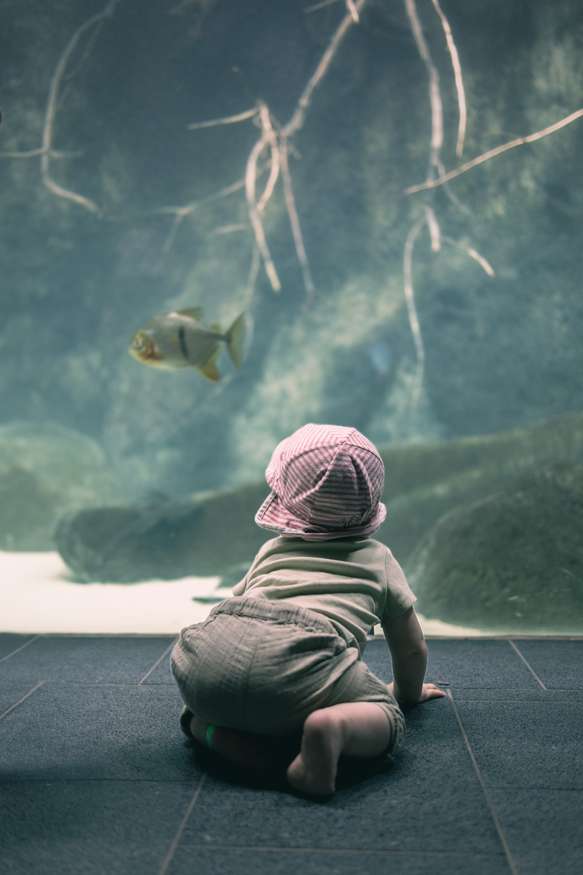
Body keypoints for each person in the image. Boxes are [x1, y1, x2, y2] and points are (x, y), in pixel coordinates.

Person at [170, 423, 445, 798]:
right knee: (386, 716)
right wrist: (406, 696)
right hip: (305, 661)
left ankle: (219, 735)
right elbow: (412, 647)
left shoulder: (270, 551)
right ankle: (329, 730)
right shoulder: (378, 559)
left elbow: (241, 606)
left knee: (198, 712)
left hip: (213, 656)